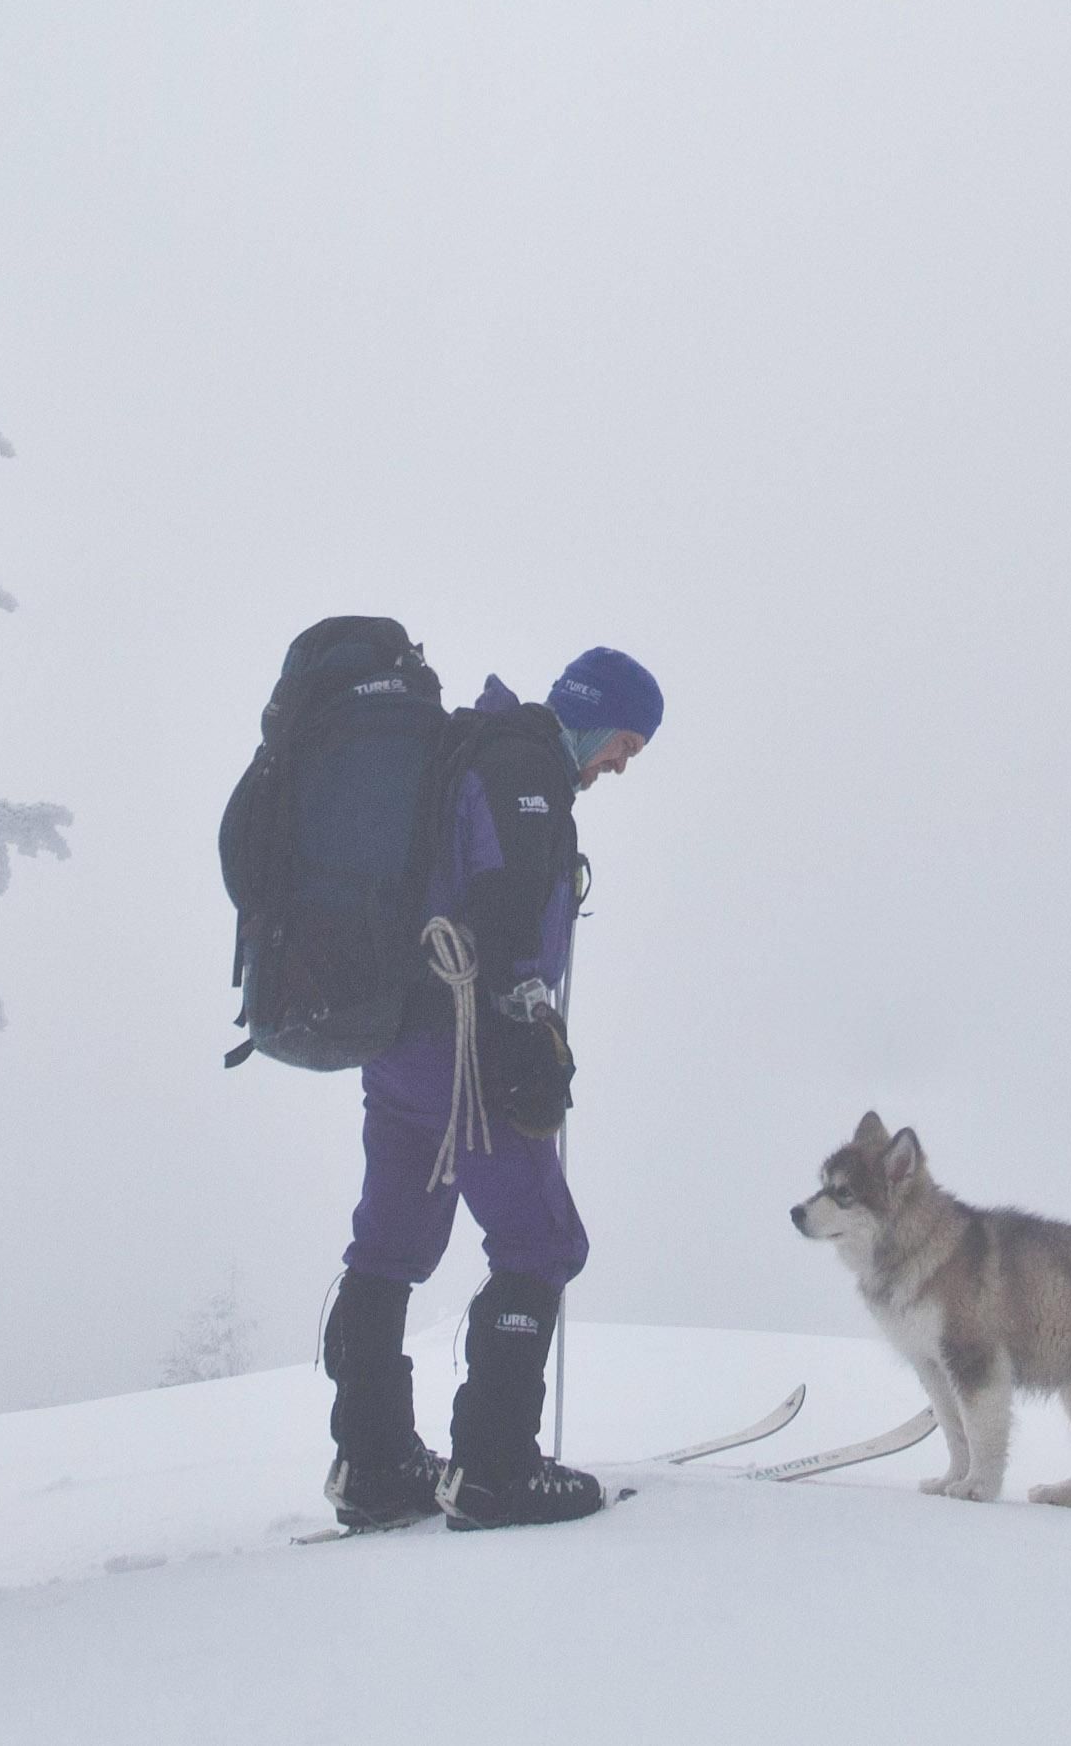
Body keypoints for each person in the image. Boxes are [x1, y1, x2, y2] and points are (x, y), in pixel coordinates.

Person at [322, 644, 663, 1532]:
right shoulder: (526, 771)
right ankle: (496, 1468)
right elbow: (504, 905)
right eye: (625, 741)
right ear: (594, 714)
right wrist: (525, 1038)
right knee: (539, 1240)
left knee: (389, 1240)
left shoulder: (472, 752)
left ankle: (373, 1461)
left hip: (399, 1039)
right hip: (467, 1042)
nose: (621, 764)